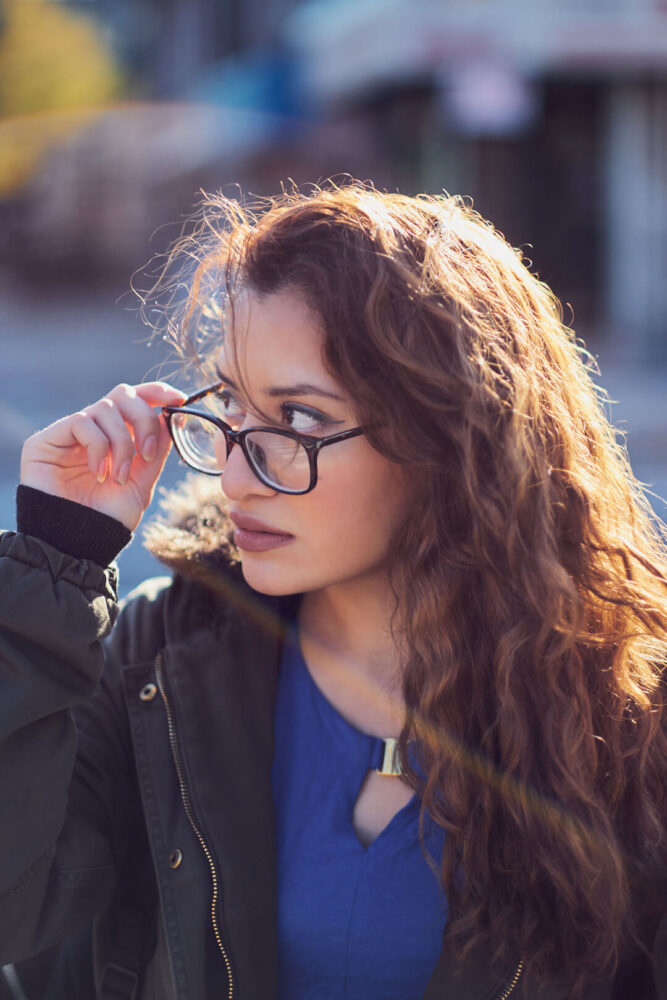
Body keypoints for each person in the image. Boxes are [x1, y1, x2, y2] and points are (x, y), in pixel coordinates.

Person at [0, 181, 666, 1000]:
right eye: (233, 406)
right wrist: (55, 565)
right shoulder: (157, 659)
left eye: (300, 421)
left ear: (451, 436)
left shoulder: (631, 706)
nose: (238, 475)